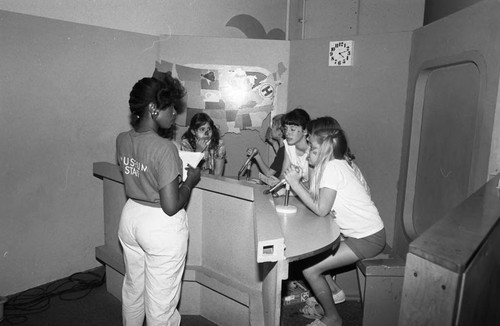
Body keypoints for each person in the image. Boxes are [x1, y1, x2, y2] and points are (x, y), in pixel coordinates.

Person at [116, 75, 201, 326]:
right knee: (160, 306)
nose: (175, 112)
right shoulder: (165, 148)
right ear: (153, 109)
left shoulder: (121, 138)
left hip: (130, 218)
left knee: (133, 290)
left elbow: (136, 174)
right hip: (161, 226)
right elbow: (171, 205)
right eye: (170, 106)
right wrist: (190, 181)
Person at [283, 122, 385, 326]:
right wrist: (301, 180)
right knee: (313, 259)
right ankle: (333, 297)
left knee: (310, 270)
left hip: (368, 239)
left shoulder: (332, 168)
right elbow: (320, 203)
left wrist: (294, 183)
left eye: (312, 149)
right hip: (363, 235)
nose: (308, 153)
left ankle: (332, 318)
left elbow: (321, 209)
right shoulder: (334, 165)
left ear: (325, 150)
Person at [246, 114, 285, 178]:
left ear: (280, 132)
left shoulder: (283, 151)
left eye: (273, 126)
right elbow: (279, 157)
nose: (271, 129)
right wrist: (273, 142)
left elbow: (269, 174)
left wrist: (257, 156)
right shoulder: (283, 149)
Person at [281, 108, 311, 184]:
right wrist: (277, 182)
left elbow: (313, 184)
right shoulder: (289, 146)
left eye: (292, 129)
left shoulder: (313, 151)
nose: (287, 133)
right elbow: (283, 174)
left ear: (305, 131)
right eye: (285, 129)